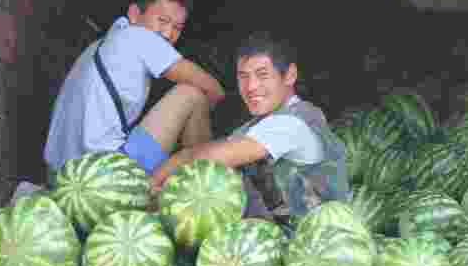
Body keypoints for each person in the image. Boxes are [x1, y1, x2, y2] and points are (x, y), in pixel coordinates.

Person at [150, 31, 350, 222]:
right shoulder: (260, 125)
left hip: (305, 243)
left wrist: (152, 187)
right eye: (243, 76)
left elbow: (207, 158)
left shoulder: (293, 123)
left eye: (262, 75)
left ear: (289, 75)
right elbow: (208, 152)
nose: (251, 86)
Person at [42, 0, 226, 182]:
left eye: (177, 28)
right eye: (162, 21)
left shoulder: (101, 45)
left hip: (61, 177)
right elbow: (213, 89)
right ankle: (205, 185)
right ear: (135, 14)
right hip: (104, 176)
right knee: (191, 94)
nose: (167, 34)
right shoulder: (139, 37)